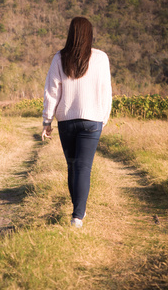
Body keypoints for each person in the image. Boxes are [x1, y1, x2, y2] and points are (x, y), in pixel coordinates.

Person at [41, 17, 112, 228]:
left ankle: (77, 212)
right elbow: (106, 92)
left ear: (71, 33)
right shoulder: (101, 58)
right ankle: (77, 216)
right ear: (89, 34)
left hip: (67, 121)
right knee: (83, 168)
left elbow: (52, 91)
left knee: (72, 166)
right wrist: (103, 118)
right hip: (92, 120)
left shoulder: (60, 58)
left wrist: (47, 120)